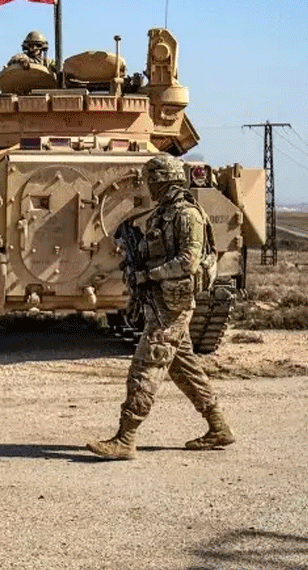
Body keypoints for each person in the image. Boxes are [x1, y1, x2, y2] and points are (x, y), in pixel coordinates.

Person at [87, 155, 233, 460]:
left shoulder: (186, 215)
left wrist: (148, 275)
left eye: (152, 180)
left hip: (173, 305)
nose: (149, 186)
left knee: (147, 364)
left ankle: (125, 438)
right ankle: (219, 427)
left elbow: (188, 262)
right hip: (161, 300)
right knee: (184, 369)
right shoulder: (161, 214)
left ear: (163, 180)